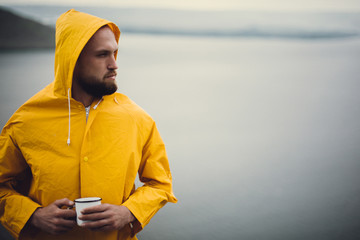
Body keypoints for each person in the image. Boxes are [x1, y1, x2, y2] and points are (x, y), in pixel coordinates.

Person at [0, 9, 176, 240]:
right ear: (72, 58)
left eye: (115, 53)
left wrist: (129, 211)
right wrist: (34, 215)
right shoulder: (25, 120)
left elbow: (161, 184)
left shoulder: (138, 118)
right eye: (103, 54)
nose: (114, 64)